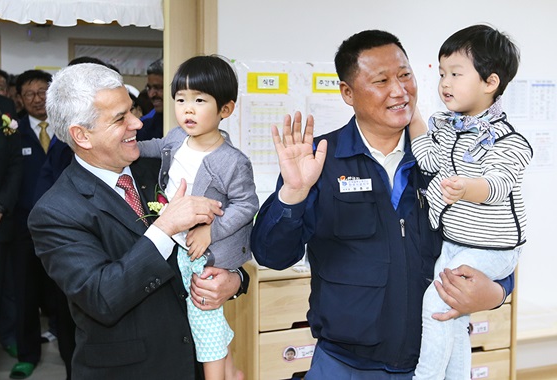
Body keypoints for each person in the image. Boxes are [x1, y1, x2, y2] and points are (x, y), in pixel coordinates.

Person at [250, 29, 514, 379]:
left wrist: (496, 292)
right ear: (348, 92)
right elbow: (273, 255)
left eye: (405, 75)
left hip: (433, 361)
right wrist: (293, 195)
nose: (399, 90)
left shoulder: (449, 158)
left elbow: (495, 236)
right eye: (381, 80)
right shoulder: (319, 162)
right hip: (344, 365)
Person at [27, 62, 248, 380]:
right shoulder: (56, 212)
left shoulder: (165, 164)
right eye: (120, 118)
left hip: (199, 362)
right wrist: (164, 227)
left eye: (132, 110)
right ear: (82, 135)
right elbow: (102, 297)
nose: (137, 124)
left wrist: (235, 279)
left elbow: (225, 227)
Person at [409, 25, 532, 380]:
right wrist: (414, 117)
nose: (444, 82)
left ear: (490, 82)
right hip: (455, 241)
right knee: (453, 313)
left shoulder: (508, 139)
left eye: (456, 74)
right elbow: (429, 159)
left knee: (436, 303)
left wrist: (466, 188)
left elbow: (497, 184)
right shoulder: (446, 126)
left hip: (492, 246)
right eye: (442, 73)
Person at [139, 55, 258, 380]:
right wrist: (129, 147)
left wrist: (211, 231)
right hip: (181, 245)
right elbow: (157, 147)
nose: (187, 109)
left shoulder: (231, 161)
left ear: (225, 109)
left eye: (199, 100)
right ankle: (232, 373)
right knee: (210, 318)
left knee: (204, 317)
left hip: (209, 252)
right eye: (181, 99)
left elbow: (247, 205)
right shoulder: (177, 138)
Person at [10, 69, 60, 379]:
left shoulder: (69, 129)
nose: (36, 99)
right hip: (23, 228)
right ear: (19, 99)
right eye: (29, 94)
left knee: (62, 294)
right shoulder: (12, 131)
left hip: (63, 228)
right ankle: (27, 354)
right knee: (25, 294)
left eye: (42, 92)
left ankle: (72, 353)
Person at [0, 96, 21, 359]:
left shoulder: (4, 107)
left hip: (0, 217)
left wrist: (1, 206)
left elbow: (15, 163)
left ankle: (7, 335)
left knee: (3, 284)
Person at [137, 58, 164, 141]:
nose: (151, 94)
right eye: (149, 88)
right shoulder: (143, 129)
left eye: (158, 88)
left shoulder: (191, 128)